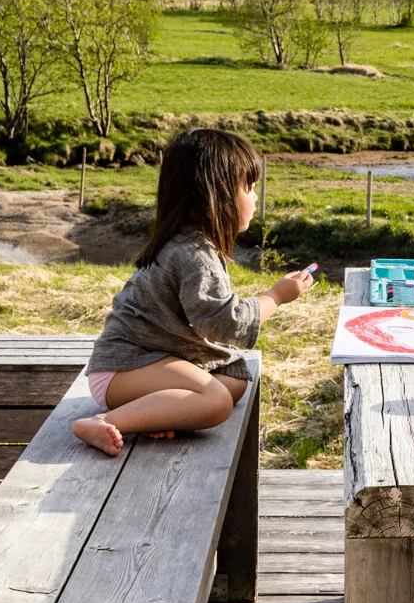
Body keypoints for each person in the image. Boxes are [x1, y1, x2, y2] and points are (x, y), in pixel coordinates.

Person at [72, 126, 315, 455]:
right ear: (220, 193)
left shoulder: (188, 243)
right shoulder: (195, 256)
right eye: (250, 187)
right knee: (216, 402)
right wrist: (276, 296)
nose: (256, 197)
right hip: (124, 368)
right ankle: (105, 421)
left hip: (148, 360)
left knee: (235, 381)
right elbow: (223, 323)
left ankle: (155, 413)